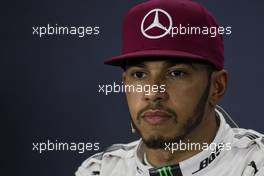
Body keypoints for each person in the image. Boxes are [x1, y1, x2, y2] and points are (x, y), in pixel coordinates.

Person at [75, 0, 264, 175]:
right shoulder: (100, 170)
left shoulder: (256, 164)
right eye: (139, 75)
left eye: (176, 73)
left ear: (217, 87)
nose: (152, 93)